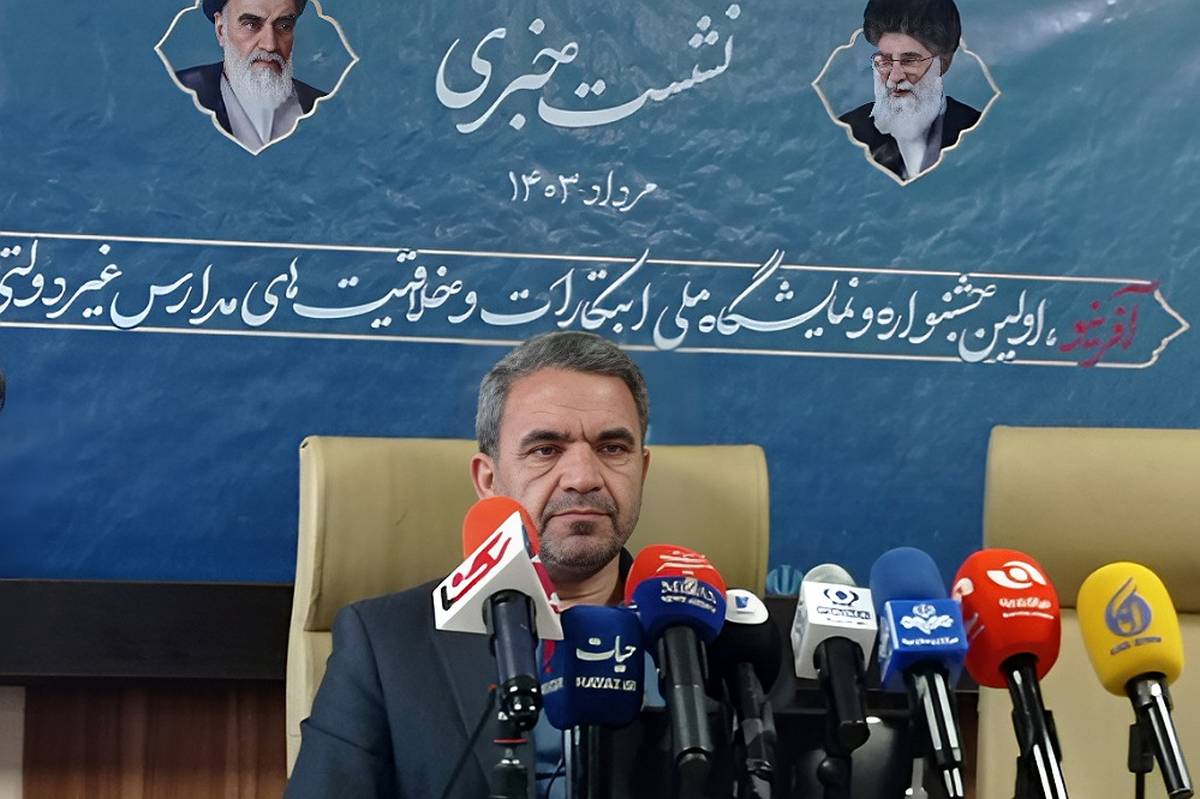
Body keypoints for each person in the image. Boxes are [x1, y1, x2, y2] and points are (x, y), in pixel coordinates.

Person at [286, 331, 653, 798]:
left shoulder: (713, 643)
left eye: (612, 448)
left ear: (642, 470)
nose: (583, 478)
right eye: (546, 450)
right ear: (488, 480)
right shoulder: (385, 642)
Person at [839, 0, 981, 181]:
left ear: (943, 63)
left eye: (909, 60)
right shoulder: (848, 132)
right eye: (885, 61)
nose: (894, 76)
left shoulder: (978, 129)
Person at [175, 0, 326, 152]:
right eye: (251, 25)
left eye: (284, 26)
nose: (270, 45)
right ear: (221, 30)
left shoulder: (322, 107)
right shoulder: (178, 93)